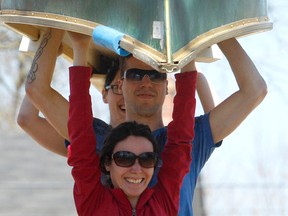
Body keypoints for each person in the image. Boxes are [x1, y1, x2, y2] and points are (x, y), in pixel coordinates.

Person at [23, 28, 267, 216]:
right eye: (136, 75)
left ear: (167, 83)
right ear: (121, 84)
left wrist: (210, 30)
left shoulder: (193, 138)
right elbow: (40, 97)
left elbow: (254, 91)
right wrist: (59, 25)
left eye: (156, 75)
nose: (146, 82)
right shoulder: (99, 140)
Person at [67, 31, 197, 215]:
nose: (136, 169)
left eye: (147, 159)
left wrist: (188, 52)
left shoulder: (163, 202)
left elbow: (180, 142)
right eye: (124, 158)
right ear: (107, 163)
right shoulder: (94, 202)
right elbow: (81, 138)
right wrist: (80, 47)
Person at [17, 29, 125, 157]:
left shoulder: (153, 139)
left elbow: (34, 97)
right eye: (118, 88)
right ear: (104, 94)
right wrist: (51, 50)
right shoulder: (93, 135)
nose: (125, 96)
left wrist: (58, 21)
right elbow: (27, 119)